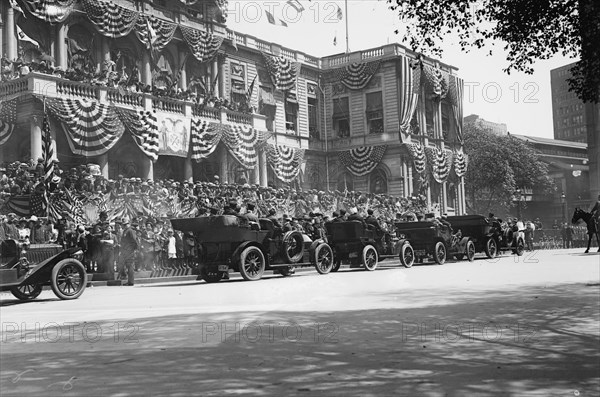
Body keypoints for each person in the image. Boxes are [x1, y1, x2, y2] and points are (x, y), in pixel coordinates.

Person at [119, 219, 139, 286]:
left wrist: (135, 249)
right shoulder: (125, 231)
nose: (124, 226)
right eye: (123, 224)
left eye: (125, 224)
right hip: (125, 251)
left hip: (130, 251)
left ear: (128, 224)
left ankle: (131, 281)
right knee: (123, 264)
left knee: (130, 266)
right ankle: (127, 278)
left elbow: (134, 240)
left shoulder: (130, 231)